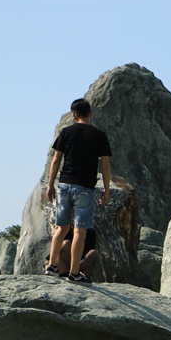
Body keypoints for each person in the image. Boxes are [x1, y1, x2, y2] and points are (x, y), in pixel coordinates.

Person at [44, 98, 111, 283]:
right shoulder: (99, 135)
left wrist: (50, 185)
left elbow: (56, 159)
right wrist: (106, 190)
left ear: (74, 116)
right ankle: (74, 273)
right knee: (80, 231)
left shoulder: (66, 132)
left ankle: (52, 265)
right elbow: (105, 165)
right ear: (90, 113)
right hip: (85, 188)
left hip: (65, 185)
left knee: (61, 228)